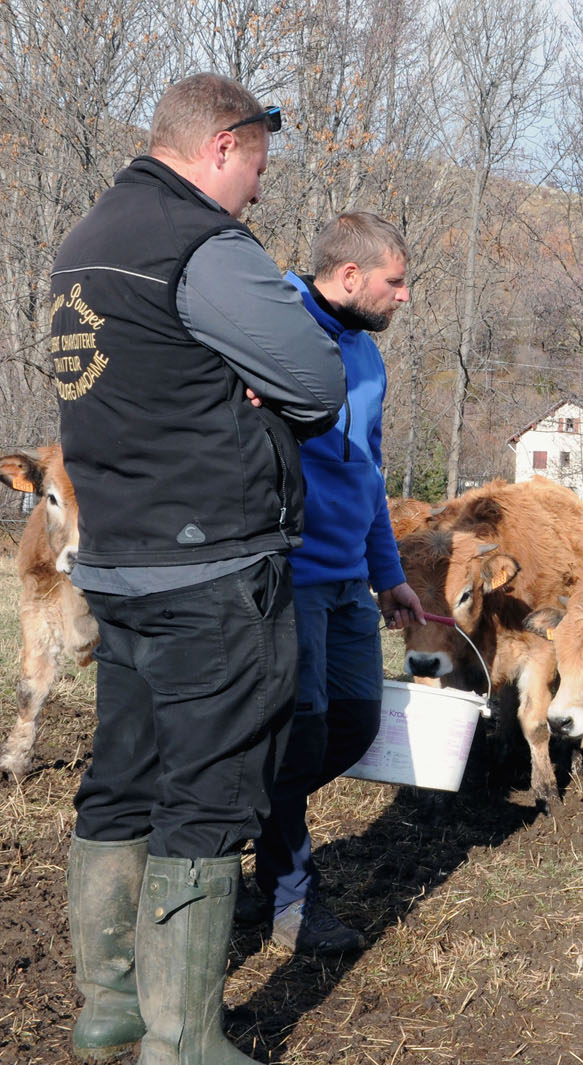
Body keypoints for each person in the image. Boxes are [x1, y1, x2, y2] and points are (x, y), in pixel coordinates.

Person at [52, 73, 345, 1063]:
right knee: (210, 794)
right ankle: (182, 1043)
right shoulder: (202, 246)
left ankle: (110, 1007)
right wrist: (270, 398)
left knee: (121, 777)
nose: (259, 192)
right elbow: (315, 380)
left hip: (119, 562)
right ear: (222, 145)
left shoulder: (83, 246)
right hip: (209, 570)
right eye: (258, 166)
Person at [249, 212, 423, 955]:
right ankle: (290, 897)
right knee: (302, 733)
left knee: (355, 725)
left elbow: (369, 473)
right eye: (395, 281)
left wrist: (389, 574)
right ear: (350, 277)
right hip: (288, 573)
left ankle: (246, 822)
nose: (405, 297)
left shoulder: (369, 358)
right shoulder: (271, 325)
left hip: (351, 576)